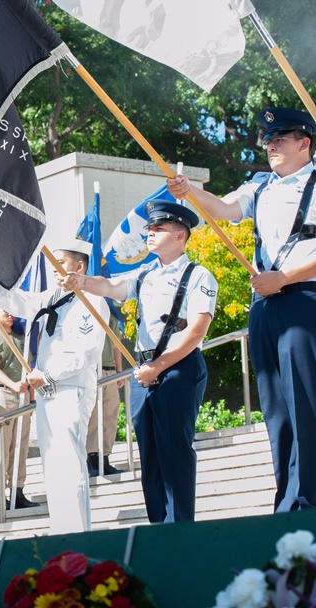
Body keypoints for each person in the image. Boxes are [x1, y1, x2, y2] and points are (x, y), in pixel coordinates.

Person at [167, 107, 316, 513]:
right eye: (267, 139)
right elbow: (223, 209)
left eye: (280, 138)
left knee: (306, 405)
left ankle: (308, 501)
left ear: (304, 142)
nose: (270, 145)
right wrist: (190, 192)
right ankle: (287, 501)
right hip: (266, 305)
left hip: (304, 299)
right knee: (277, 409)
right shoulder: (261, 186)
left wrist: (284, 278)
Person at [61, 201, 217, 523]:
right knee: (150, 456)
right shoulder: (145, 273)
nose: (150, 233)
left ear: (180, 235)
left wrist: (159, 366)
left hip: (177, 368)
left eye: (158, 228)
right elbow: (113, 287)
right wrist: (81, 283)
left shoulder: (199, 275)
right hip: (145, 372)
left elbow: (198, 330)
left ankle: (179, 530)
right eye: (149, 228)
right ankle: (158, 527)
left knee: (175, 454)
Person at [0, 240, 107, 534]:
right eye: (53, 263)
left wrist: (48, 374)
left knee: (69, 463)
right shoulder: (51, 297)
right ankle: (61, 531)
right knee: (53, 465)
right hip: (46, 393)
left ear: (79, 267)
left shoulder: (92, 302)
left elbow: (87, 353)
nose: (55, 270)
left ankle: (78, 534)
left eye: (62, 263)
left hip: (71, 389)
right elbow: (19, 301)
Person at [0, 306, 38, 510]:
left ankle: (17, 491)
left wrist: (31, 399)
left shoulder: (21, 340)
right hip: (2, 394)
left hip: (22, 396)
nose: (10, 314)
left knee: (20, 445)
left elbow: (29, 370)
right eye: (5, 310)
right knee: (2, 446)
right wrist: (13, 385)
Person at [86, 315, 124, 477]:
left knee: (110, 415)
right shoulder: (86, 313)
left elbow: (116, 346)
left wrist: (120, 371)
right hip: (92, 370)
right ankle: (92, 458)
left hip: (110, 371)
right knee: (93, 416)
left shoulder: (111, 318)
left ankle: (105, 456)